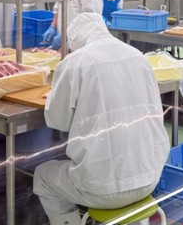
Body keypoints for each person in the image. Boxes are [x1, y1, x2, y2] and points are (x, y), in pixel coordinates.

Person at [34, 12, 170, 225]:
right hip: (150, 178)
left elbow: (58, 121)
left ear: (74, 39)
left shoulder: (75, 62)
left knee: (42, 176)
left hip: (101, 189)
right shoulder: (137, 56)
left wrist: (54, 96)